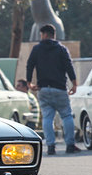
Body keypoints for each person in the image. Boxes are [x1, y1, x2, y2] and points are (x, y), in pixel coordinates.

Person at [26, 24, 81, 155]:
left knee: (47, 117)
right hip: (60, 88)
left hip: (43, 88)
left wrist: (29, 82)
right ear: (53, 34)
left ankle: (51, 146)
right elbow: (69, 66)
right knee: (67, 115)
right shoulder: (62, 49)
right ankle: (70, 145)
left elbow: (30, 65)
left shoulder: (37, 49)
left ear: (44, 34)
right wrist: (74, 83)